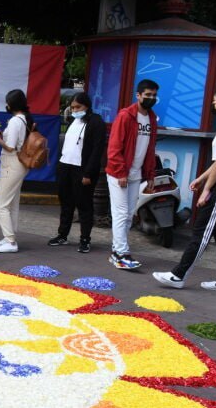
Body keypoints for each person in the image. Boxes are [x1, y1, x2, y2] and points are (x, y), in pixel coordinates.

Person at [153, 87, 216, 295]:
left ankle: (179, 275)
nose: (212, 103)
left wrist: (207, 190)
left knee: (202, 229)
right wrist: (202, 178)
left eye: (215, 100)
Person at [106, 79, 159, 270]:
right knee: (120, 213)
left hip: (136, 175)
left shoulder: (151, 119)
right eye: (147, 95)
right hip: (119, 174)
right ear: (138, 95)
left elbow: (150, 149)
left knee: (128, 215)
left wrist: (150, 175)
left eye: (154, 96)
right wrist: (121, 172)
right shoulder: (126, 116)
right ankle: (122, 253)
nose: (151, 98)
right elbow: (114, 147)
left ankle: (116, 251)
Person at [50, 92, 106, 253]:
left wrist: (88, 173)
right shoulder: (73, 121)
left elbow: (97, 150)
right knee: (66, 203)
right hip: (65, 166)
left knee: (84, 205)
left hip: (82, 169)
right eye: (72, 107)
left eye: (78, 107)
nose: (75, 110)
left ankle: (85, 239)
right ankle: (62, 235)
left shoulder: (96, 122)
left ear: (86, 106)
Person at [0, 89, 31, 253]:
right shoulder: (24, 119)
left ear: (12, 104)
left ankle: (10, 241)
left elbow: (10, 147)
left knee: (0, 204)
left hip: (12, 163)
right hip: (19, 165)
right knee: (12, 203)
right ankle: (9, 237)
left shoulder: (15, 121)